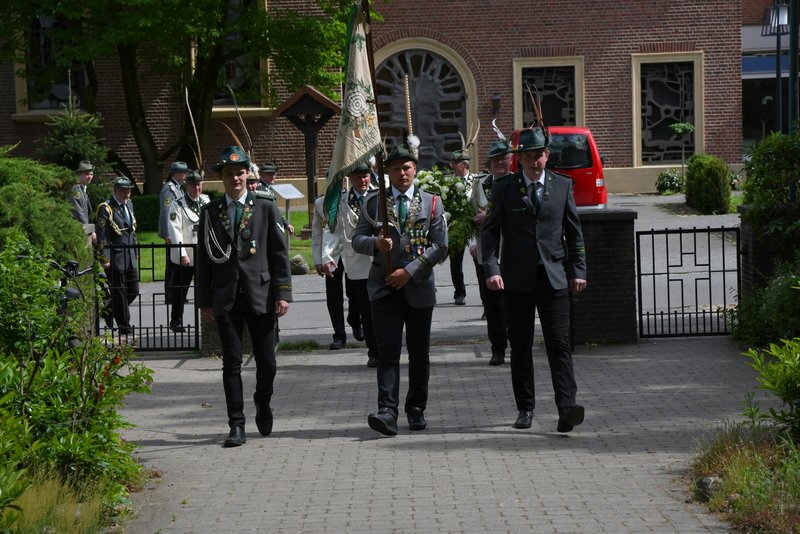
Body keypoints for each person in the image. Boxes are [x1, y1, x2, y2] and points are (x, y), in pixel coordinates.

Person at [481, 127, 587, 433]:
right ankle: (525, 408)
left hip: (554, 278)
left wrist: (578, 271)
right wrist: (492, 268)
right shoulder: (505, 188)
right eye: (527, 157)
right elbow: (490, 232)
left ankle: (566, 408)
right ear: (519, 159)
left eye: (538, 155)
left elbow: (574, 233)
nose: (533, 162)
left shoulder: (562, 185)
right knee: (521, 345)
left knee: (559, 344)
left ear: (546, 155)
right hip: (516, 280)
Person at [196, 146, 292, 448]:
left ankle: (263, 401)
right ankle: (236, 424)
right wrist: (204, 301)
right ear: (222, 177)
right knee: (232, 363)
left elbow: (279, 252)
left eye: (240, 173)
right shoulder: (210, 212)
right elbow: (203, 260)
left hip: (260, 294)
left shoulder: (264, 205)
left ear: (247, 175)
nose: (235, 178)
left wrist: (283, 293)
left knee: (268, 363)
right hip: (226, 297)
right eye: (229, 174)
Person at [352, 143, 448, 436]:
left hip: (417, 288)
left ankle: (416, 409)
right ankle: (387, 411)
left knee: (419, 354)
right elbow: (357, 239)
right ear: (388, 172)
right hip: (384, 289)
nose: (402, 173)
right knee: (388, 352)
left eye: (406, 167)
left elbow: (440, 246)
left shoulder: (432, 202)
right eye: (395, 168)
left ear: (414, 169)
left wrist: (409, 272)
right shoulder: (374, 202)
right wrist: (375, 244)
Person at [322, 161, 378, 366]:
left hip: (380, 260)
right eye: (358, 177)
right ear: (350, 179)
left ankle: (386, 348)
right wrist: (327, 257)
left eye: (365, 176)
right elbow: (332, 230)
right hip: (356, 263)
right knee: (367, 310)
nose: (362, 180)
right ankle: (374, 352)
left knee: (381, 309)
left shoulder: (380, 196)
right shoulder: (342, 201)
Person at [469, 141, 512, 365]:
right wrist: (471, 244)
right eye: (496, 160)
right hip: (486, 253)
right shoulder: (480, 184)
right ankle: (498, 349)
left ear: (511, 160)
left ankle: (516, 342)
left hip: (512, 252)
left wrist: (490, 216)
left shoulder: (518, 183)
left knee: (513, 302)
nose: (500, 163)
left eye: (504, 158)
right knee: (492, 304)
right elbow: (468, 214)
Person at [311, 192, 363, 350]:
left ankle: (355, 320)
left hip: (352, 253)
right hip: (331, 255)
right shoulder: (322, 203)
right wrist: (318, 259)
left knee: (355, 293)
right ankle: (339, 335)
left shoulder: (354, 198)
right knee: (334, 296)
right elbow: (317, 232)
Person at [165, 170, 210, 333]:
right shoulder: (177, 204)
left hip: (203, 254)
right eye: (193, 185)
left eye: (199, 185)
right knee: (180, 291)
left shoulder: (206, 201)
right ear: (187, 186)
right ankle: (175, 322)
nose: (196, 188)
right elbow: (175, 231)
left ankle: (207, 321)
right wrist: (182, 253)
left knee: (205, 289)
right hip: (186, 256)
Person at [96, 176, 139, 337]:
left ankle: (108, 310)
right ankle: (124, 326)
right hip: (115, 256)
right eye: (123, 191)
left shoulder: (129, 205)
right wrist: (104, 257)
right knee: (119, 292)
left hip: (129, 255)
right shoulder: (106, 208)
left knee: (133, 290)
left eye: (129, 190)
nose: (127, 194)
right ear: (115, 190)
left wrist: (135, 251)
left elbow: (132, 231)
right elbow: (102, 235)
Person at [159, 161, 190, 304]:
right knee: (172, 264)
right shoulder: (169, 189)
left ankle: (176, 293)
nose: (185, 175)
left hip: (176, 231)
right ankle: (170, 294)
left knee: (176, 264)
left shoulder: (177, 188)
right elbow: (166, 213)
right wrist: (167, 234)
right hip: (171, 234)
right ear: (175, 173)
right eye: (183, 172)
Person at [448, 150, 473, 306]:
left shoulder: (476, 180)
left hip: (475, 226)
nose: (452, 166)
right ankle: (459, 293)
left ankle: (486, 296)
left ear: (463, 165)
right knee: (455, 263)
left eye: (455, 163)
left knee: (480, 263)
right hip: (457, 226)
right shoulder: (449, 183)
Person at [256, 162, 295, 236]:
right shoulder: (259, 189)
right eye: (270, 174)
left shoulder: (268, 188)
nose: (273, 177)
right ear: (262, 175)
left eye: (274, 174)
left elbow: (275, 208)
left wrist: (286, 223)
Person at [67, 160, 96, 244]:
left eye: (91, 174)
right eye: (87, 174)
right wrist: (91, 231)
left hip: (84, 232)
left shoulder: (82, 190)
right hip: (79, 233)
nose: (90, 177)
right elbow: (79, 213)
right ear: (79, 174)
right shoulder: (75, 190)